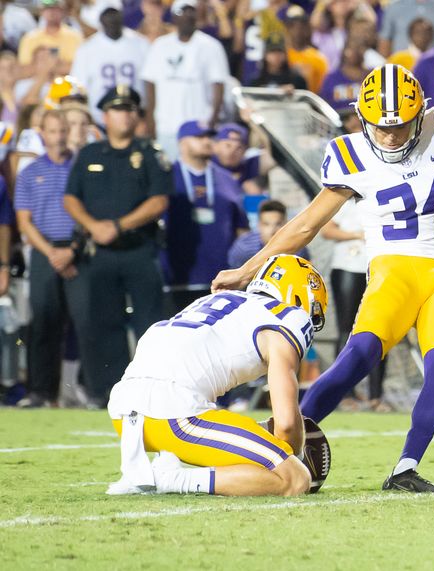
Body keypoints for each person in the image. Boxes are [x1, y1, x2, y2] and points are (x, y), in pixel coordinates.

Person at [212, 64, 434, 492]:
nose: (389, 136)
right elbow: (305, 225)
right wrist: (247, 269)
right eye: (380, 127)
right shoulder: (349, 153)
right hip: (392, 269)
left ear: (420, 113)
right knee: (358, 356)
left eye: (399, 126)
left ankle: (405, 468)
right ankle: (273, 440)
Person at [106, 254, 327, 497]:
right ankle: (169, 479)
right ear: (300, 295)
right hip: (176, 414)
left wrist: (263, 436)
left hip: (125, 413)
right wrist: (290, 453)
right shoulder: (289, 318)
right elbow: (285, 425)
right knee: (295, 479)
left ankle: (162, 471)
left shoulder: (219, 300)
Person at [63, 85, 171, 405]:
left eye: (129, 110)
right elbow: (70, 198)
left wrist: (119, 225)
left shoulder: (151, 153)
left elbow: (159, 201)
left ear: (137, 116)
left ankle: (153, 390)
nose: (124, 116)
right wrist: (94, 226)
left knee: (149, 325)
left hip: (139, 249)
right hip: (102, 253)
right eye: (117, 110)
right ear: (105, 116)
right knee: (103, 323)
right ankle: (109, 392)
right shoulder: (89, 154)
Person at [15, 110, 86, 408]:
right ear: (42, 133)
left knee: (86, 322)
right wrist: (53, 253)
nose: (58, 137)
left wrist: (72, 250)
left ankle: (91, 391)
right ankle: (40, 392)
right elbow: (24, 221)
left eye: (62, 130)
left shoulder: (81, 168)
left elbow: (89, 212)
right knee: (43, 323)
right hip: (45, 253)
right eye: (52, 131)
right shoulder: (30, 172)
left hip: (78, 251)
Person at [162, 120, 250, 314]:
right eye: (199, 137)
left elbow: (241, 228)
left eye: (209, 137)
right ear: (182, 143)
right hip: (177, 276)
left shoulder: (227, 179)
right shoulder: (165, 176)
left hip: (220, 278)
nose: (207, 141)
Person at [320, 197, 388, 410]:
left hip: (379, 267)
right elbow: (327, 230)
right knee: (346, 330)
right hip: (348, 266)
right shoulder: (345, 201)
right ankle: (345, 393)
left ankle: (376, 395)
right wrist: (357, 235)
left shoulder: (385, 200)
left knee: (380, 330)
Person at [141, 0, 229, 159]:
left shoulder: (211, 46)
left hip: (198, 127)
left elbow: (218, 85)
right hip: (166, 126)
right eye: (183, 12)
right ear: (174, 17)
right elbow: (150, 84)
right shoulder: (160, 46)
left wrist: (212, 122)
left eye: (191, 11)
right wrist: (151, 122)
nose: (188, 16)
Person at [69, 1, 150, 125]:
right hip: (99, 119)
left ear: (121, 14)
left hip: (135, 116)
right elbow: (78, 89)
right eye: (107, 15)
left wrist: (147, 116)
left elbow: (150, 83)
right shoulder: (87, 49)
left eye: (114, 14)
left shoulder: (141, 44)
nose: (111, 19)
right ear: (100, 18)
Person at [17, 0, 83, 78]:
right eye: (47, 9)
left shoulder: (75, 36)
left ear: (62, 10)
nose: (51, 12)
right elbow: (23, 69)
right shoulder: (29, 38)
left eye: (55, 9)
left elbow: (80, 67)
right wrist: (57, 65)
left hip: (66, 82)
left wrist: (46, 66)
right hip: (36, 83)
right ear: (41, 11)